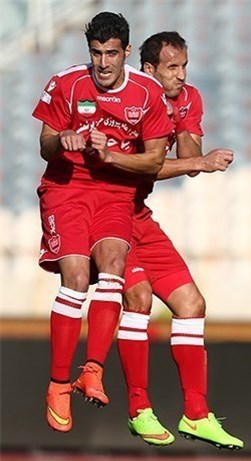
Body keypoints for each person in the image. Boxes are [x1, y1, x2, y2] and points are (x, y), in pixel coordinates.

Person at [34, 12, 173, 433]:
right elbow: (44, 144)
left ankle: (92, 369)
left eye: (111, 53)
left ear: (126, 51)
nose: (103, 63)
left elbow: (154, 160)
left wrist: (110, 155)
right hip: (67, 188)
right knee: (76, 277)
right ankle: (58, 384)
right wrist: (62, 140)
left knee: (113, 266)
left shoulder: (147, 93)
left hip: (115, 192)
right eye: (96, 53)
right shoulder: (67, 83)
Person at [115, 31, 243, 450]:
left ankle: (196, 413)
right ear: (148, 69)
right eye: (172, 67)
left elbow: (190, 161)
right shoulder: (130, 99)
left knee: (192, 304)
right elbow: (142, 166)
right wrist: (200, 162)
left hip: (139, 216)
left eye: (184, 66)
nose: (181, 75)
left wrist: (184, 120)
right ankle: (139, 409)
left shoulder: (186, 97)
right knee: (139, 298)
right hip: (108, 213)